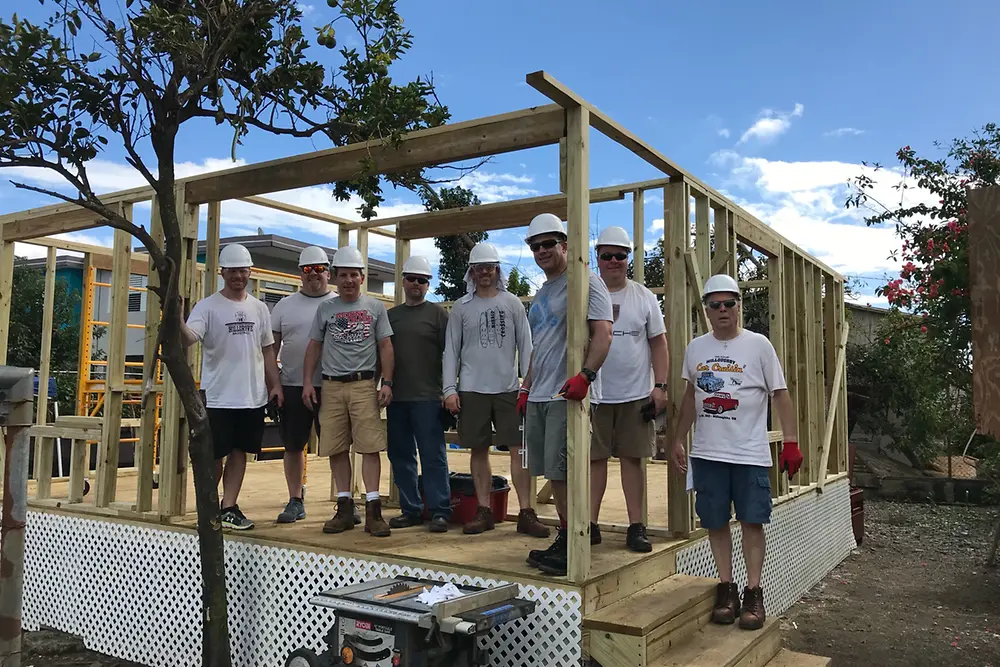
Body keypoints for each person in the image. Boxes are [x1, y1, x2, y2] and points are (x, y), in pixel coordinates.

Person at [669, 273, 801, 631]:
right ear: (707, 310)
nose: (723, 310)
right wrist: (677, 439)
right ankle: (726, 589)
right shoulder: (696, 348)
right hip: (709, 452)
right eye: (716, 304)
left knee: (752, 522)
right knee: (714, 521)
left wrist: (791, 441)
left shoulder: (759, 346)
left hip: (749, 453)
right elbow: (690, 398)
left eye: (730, 303)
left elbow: (780, 394)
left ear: (739, 306)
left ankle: (753, 593)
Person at [518, 213, 613, 576]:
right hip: (542, 393)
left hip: (567, 394)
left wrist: (586, 376)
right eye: (535, 245)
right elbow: (537, 346)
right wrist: (526, 386)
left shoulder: (586, 281)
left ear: (565, 245)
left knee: (567, 471)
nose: (542, 250)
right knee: (554, 474)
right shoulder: (542, 292)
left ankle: (577, 538)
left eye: (548, 244)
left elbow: (603, 332)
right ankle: (567, 535)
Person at [442, 242, 549, 538]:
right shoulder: (462, 308)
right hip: (472, 389)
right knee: (478, 449)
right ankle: (484, 510)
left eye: (489, 267)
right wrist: (450, 389)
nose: (484, 273)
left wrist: (528, 385)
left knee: (519, 450)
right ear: (471, 272)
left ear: (497, 270)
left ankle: (526, 511)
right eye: (479, 268)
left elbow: (527, 346)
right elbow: (451, 350)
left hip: (508, 389)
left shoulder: (512, 303)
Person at [179, 243, 282, 531]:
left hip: (252, 396)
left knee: (240, 451)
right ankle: (210, 505)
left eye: (242, 270)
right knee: (215, 454)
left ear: (249, 272)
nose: (238, 275)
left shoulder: (259, 308)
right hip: (219, 396)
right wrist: (175, 317)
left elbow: (267, 351)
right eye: (232, 270)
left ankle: (229, 507)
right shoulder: (208, 306)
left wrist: (275, 386)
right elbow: (188, 338)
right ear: (223, 272)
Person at [302, 245, 394, 538]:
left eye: (354, 275)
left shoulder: (375, 307)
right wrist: (307, 382)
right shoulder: (326, 309)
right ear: (334, 278)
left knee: (369, 446)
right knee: (336, 446)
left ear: (362, 278)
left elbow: (386, 346)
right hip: (331, 385)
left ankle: (373, 509)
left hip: (364, 385)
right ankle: (344, 507)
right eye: (343, 275)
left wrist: (387, 382)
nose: (348, 281)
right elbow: (314, 346)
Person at [589, 226, 669, 553]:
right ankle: (588, 526)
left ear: (628, 258)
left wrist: (661, 386)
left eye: (619, 255)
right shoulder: (587, 293)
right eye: (606, 255)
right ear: (597, 258)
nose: (613, 261)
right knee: (593, 461)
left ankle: (636, 526)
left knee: (633, 460)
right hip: (594, 394)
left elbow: (659, 344)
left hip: (635, 394)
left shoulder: (643, 296)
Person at [385, 255, 453, 533]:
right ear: (403, 281)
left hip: (429, 397)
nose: (416, 284)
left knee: (432, 455)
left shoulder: (439, 315)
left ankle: (440, 510)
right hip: (397, 397)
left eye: (422, 280)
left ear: (428, 285)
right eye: (411, 278)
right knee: (400, 455)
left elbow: (451, 354)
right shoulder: (390, 316)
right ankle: (410, 509)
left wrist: (448, 389)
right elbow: (382, 353)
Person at [270, 246, 336, 524]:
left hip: (332, 386)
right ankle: (295, 500)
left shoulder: (339, 303)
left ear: (328, 273)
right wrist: (274, 385)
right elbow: (269, 350)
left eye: (319, 269)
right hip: (293, 385)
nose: (314, 275)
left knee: (337, 445)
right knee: (293, 445)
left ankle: (344, 499)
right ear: (300, 273)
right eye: (308, 270)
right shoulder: (284, 306)